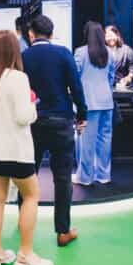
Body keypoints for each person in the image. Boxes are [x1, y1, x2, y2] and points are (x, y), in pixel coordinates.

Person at [0, 31, 53, 265]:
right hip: (17, 152)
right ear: (14, 51)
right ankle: (25, 255)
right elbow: (23, 116)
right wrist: (32, 103)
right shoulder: (19, 78)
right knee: (31, 196)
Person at [21, 14, 87, 246]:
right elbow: (76, 87)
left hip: (32, 122)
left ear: (31, 34)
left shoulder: (23, 57)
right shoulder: (63, 54)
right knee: (62, 178)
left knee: (28, 175)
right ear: (51, 33)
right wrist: (82, 115)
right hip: (61, 121)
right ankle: (63, 231)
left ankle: (24, 225)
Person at [73, 22, 117, 186]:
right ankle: (103, 175)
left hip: (88, 103)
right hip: (107, 101)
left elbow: (75, 77)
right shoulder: (109, 53)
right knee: (105, 139)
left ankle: (85, 177)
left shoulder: (80, 52)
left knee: (86, 141)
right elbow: (111, 77)